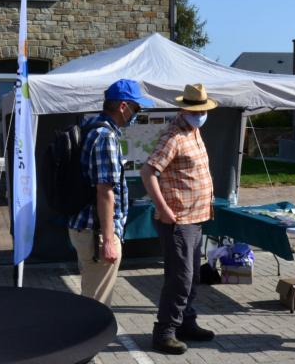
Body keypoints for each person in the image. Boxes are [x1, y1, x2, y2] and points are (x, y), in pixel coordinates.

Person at [140, 83, 217, 355]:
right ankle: (165, 332)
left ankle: (186, 322)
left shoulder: (193, 131)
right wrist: (163, 208)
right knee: (180, 278)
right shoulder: (174, 136)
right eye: (196, 110)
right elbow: (148, 171)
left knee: (192, 276)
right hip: (179, 220)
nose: (200, 114)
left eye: (203, 110)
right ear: (183, 109)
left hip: (195, 218)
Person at [68, 79, 154, 307]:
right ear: (123, 106)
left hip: (85, 226)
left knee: (91, 294)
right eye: (136, 108)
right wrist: (108, 240)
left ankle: (87, 337)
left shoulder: (92, 127)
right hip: (96, 232)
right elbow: (105, 192)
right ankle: (91, 341)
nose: (137, 114)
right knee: (97, 304)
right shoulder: (105, 137)